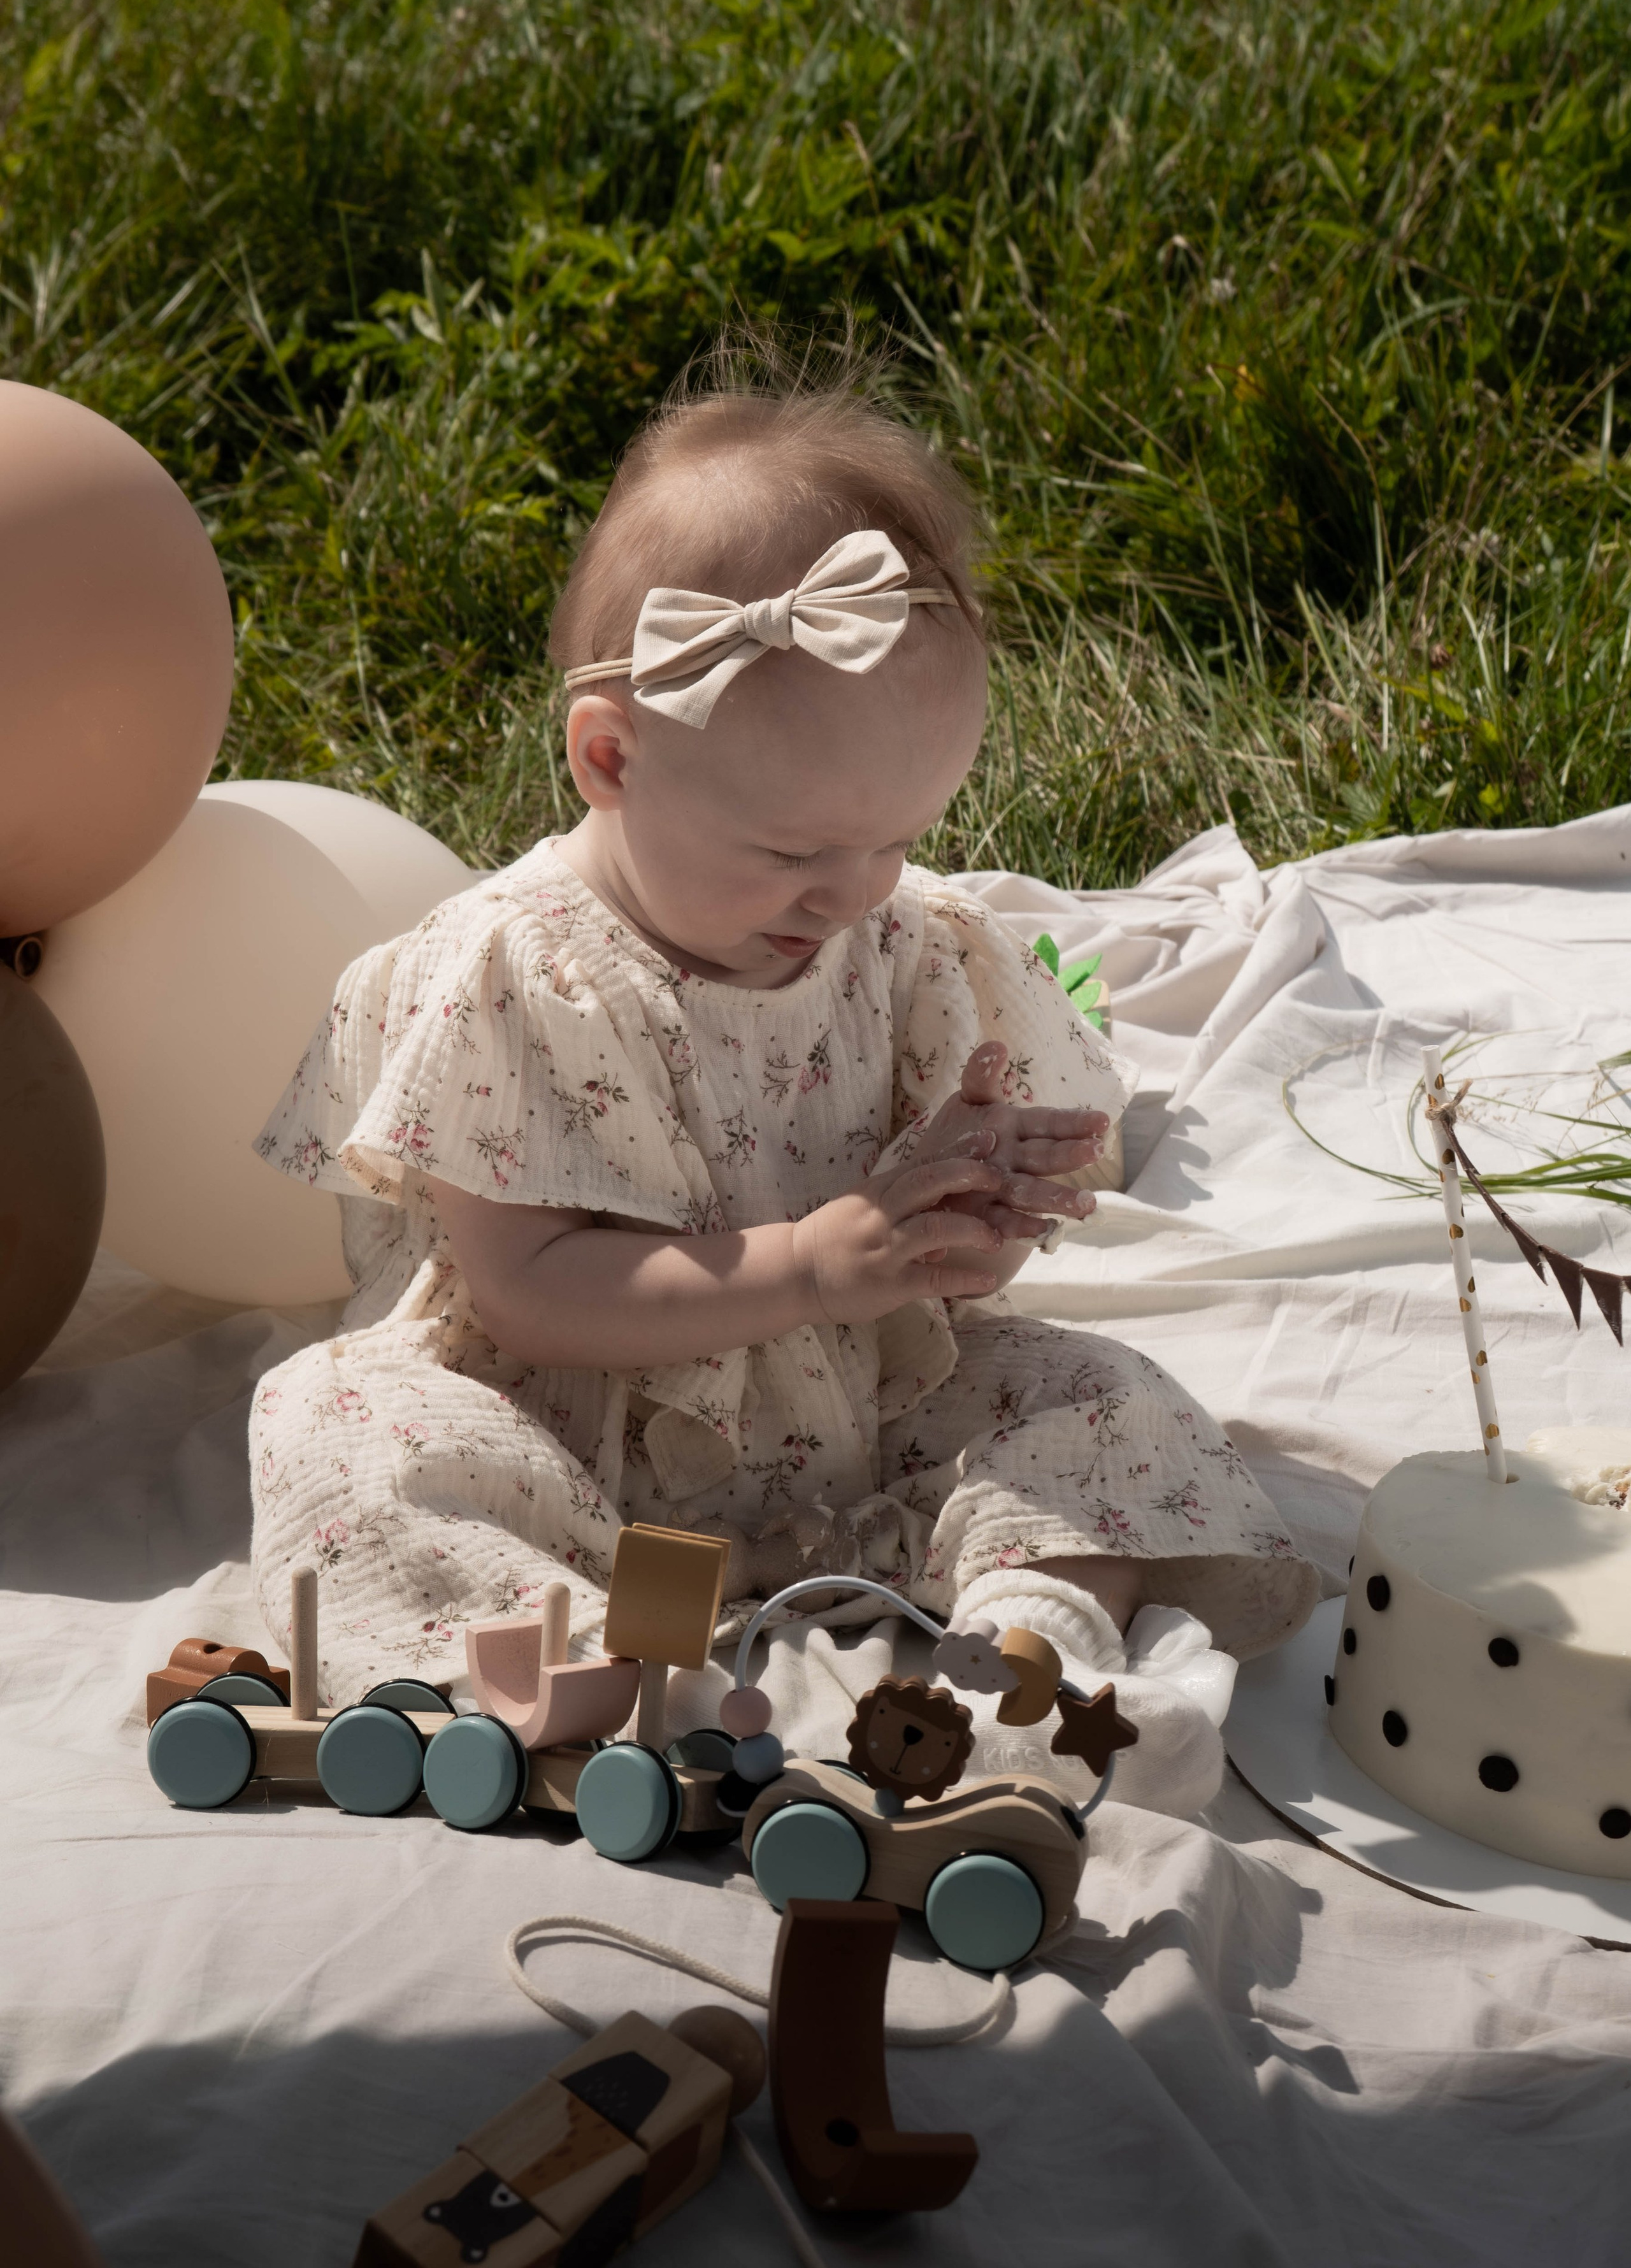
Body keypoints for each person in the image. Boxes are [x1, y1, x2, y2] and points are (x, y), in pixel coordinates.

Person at [249, 350, 1317, 1811]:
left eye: (897, 838)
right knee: (339, 1426)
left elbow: (945, 1238)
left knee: (1099, 1397)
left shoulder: (901, 939)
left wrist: (973, 1216)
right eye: (794, 852)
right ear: (610, 757)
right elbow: (524, 1292)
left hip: (851, 1422)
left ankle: (1033, 1652)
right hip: (576, 1441)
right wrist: (813, 1263)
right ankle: (577, 1655)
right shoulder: (516, 974)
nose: (851, 890)